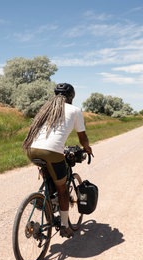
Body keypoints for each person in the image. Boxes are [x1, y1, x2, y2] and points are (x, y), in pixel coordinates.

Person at [23, 83, 92, 238]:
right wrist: (87, 148)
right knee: (62, 189)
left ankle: (45, 201)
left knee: (50, 177)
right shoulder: (75, 110)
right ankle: (64, 226)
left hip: (31, 149)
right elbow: (83, 138)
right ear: (71, 97)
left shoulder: (45, 109)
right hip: (52, 152)